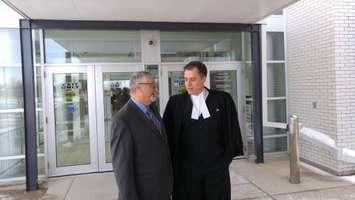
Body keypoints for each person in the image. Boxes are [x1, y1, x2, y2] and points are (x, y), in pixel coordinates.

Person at [163, 61, 243, 200]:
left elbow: (233, 130)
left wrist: (224, 161)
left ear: (203, 78)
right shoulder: (175, 103)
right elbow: (167, 135)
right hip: (186, 171)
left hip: (215, 169)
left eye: (193, 79)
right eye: (186, 79)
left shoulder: (223, 99)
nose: (188, 84)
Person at [111, 71, 173, 200]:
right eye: (152, 85)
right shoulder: (122, 120)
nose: (155, 88)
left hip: (162, 190)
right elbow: (123, 168)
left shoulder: (152, 108)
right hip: (144, 194)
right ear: (138, 87)